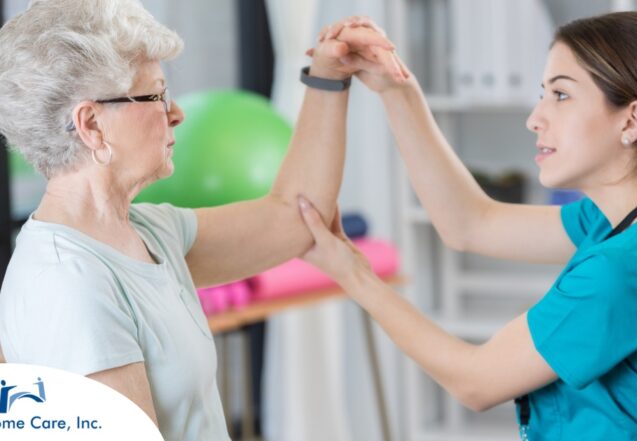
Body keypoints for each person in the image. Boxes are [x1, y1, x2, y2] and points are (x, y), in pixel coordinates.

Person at [0, 1, 398, 439]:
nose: (176, 112)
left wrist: (327, 76)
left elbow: (297, 218)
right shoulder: (67, 283)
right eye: (154, 94)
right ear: (92, 125)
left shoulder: (148, 231)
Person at [298, 11, 637, 440]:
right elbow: (471, 224)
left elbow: (475, 381)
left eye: (561, 95)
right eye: (542, 93)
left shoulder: (627, 270)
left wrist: (352, 273)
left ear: (632, 120)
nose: (535, 118)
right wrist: (397, 89)